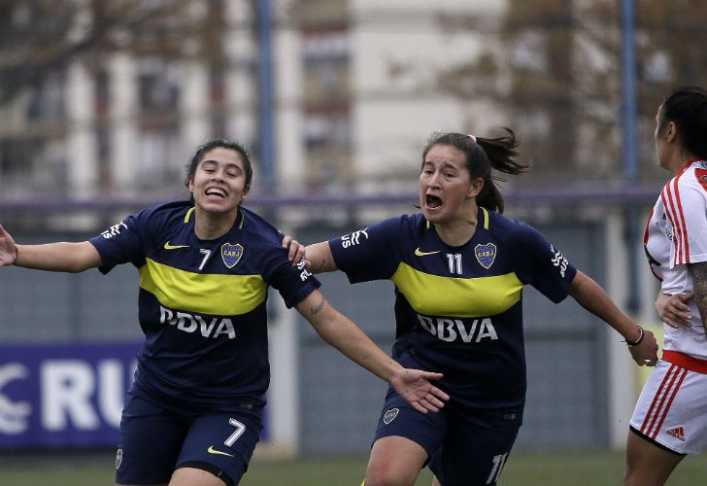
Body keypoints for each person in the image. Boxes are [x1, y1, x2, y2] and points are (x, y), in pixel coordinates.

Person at [0, 139, 450, 486]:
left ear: (245, 190)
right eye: (209, 169)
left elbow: (325, 317)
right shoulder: (155, 226)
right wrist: (18, 252)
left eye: (232, 173)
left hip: (228, 406)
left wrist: (393, 372)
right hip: (156, 398)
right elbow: (82, 252)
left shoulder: (265, 247)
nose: (219, 178)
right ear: (190, 182)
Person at [288, 129, 658, 486]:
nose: (432, 181)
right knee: (387, 478)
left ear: (474, 187)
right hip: (421, 385)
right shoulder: (400, 236)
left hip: (491, 400)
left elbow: (577, 283)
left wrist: (634, 333)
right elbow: (318, 256)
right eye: (427, 170)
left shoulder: (513, 240)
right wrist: (293, 253)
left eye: (448, 173)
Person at [625, 86, 707, 486]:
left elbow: (704, 275)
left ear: (671, 130)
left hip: (693, 363)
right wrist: (663, 297)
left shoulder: (683, 189)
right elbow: (686, 271)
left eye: (656, 123)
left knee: (639, 476)